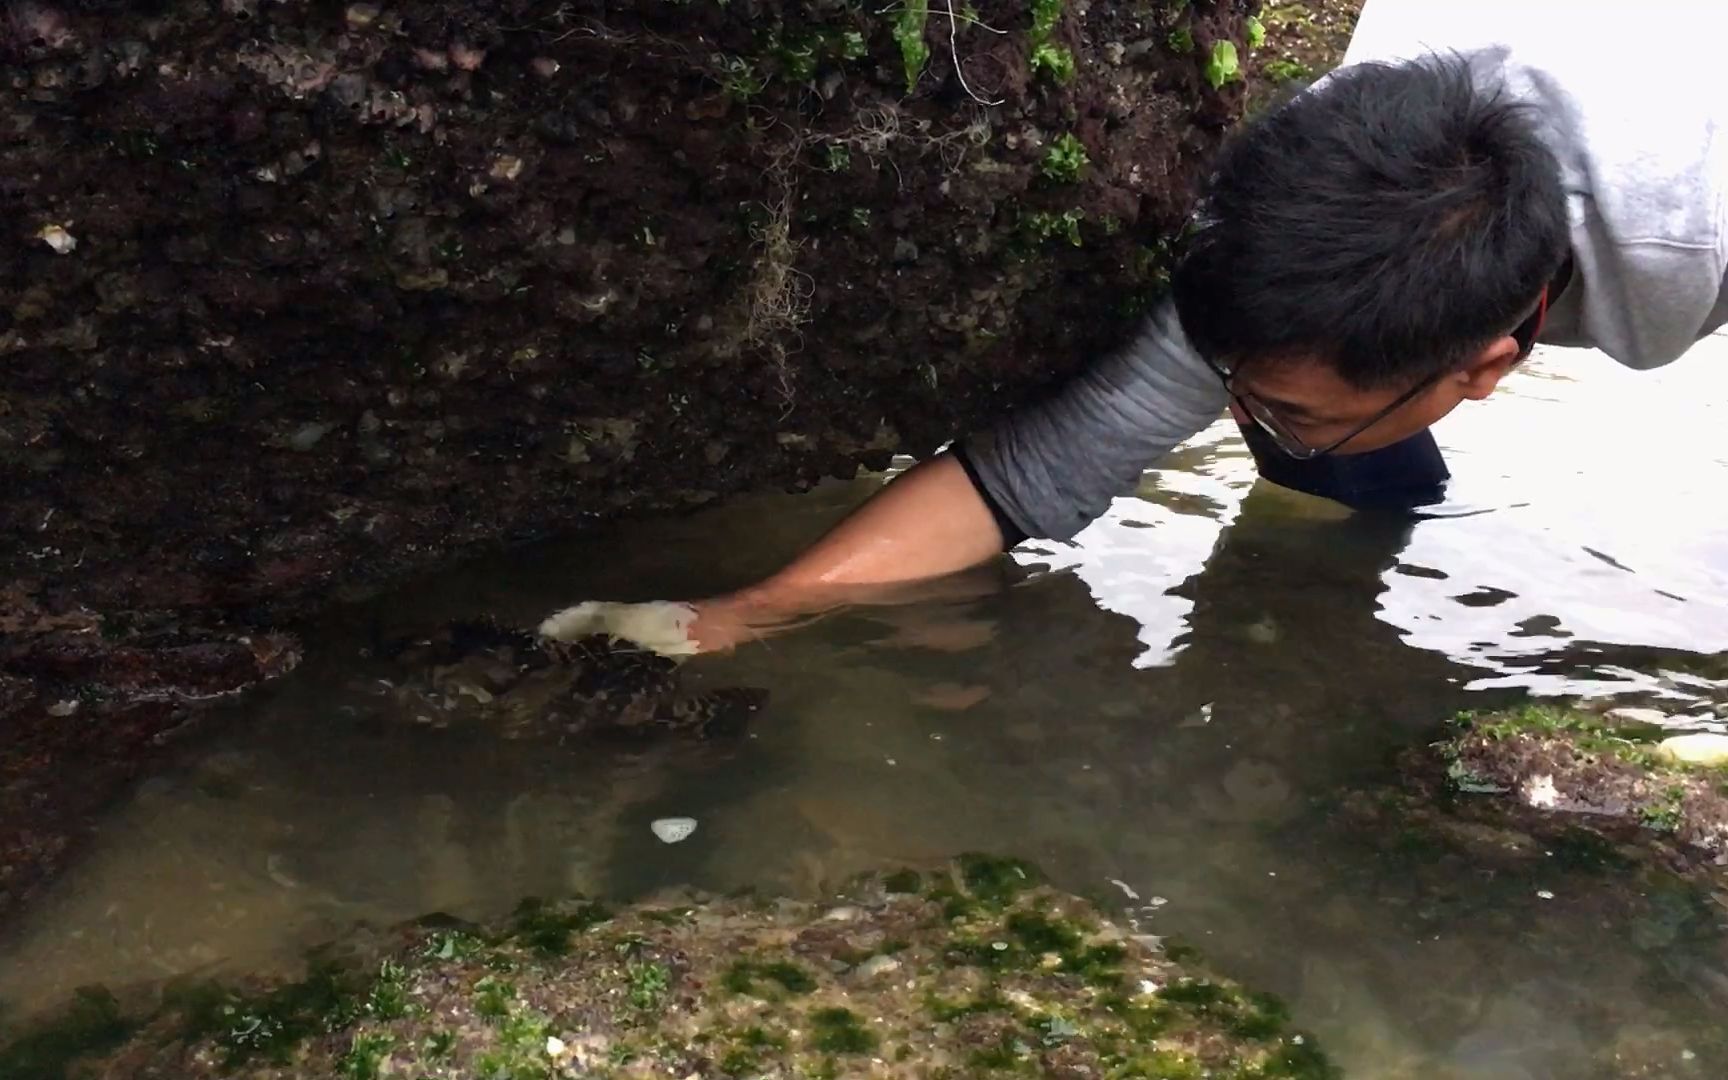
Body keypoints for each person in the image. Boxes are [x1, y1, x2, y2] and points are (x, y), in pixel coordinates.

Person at [539, 0, 1728, 656]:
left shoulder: (1697, 226)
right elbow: (1030, 473)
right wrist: (737, 618)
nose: (1227, 412)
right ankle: (1350, 538)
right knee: (1308, 421)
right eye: (1231, 382)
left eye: (1276, 406)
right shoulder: (1311, 194)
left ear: (1486, 368)